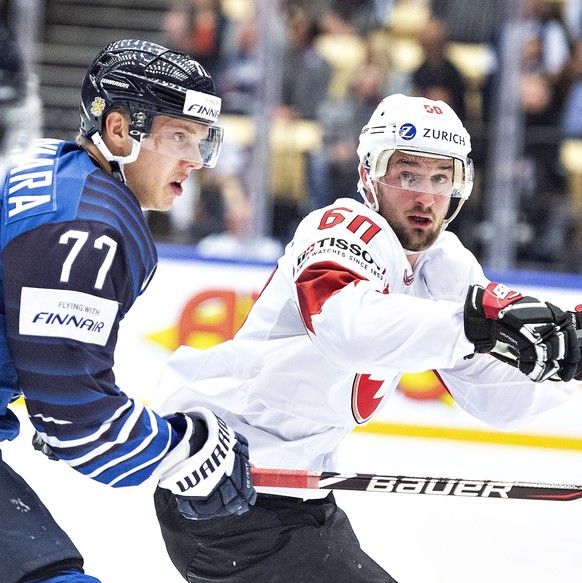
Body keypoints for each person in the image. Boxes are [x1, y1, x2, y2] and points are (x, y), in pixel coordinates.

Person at [151, 93, 582, 582]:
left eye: (442, 178)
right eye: (408, 174)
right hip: (222, 494)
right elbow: (346, 326)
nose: (426, 197)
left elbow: (493, 396)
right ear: (368, 177)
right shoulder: (339, 229)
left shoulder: (443, 263)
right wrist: (478, 321)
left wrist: (564, 364)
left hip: (298, 500)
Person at [0, 38, 255, 583]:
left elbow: (58, 391)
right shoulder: (86, 226)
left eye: (201, 140)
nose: (194, 158)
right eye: (177, 136)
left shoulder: (49, 166)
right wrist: (185, 449)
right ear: (118, 130)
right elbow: (81, 424)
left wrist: (54, 397)